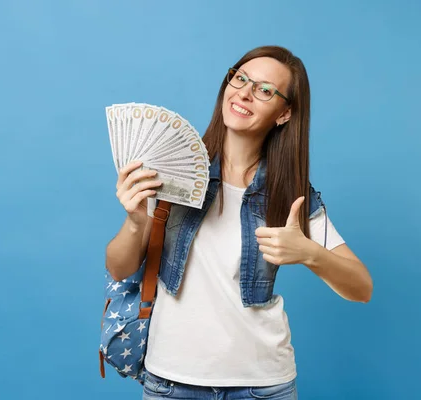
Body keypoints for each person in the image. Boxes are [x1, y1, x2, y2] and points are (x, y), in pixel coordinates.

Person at [105, 45, 373, 400]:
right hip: (171, 382)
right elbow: (120, 268)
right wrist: (136, 222)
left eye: (264, 90)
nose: (244, 92)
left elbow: (361, 288)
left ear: (284, 113)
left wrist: (309, 253)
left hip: (263, 385)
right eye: (240, 78)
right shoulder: (170, 170)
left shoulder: (288, 193)